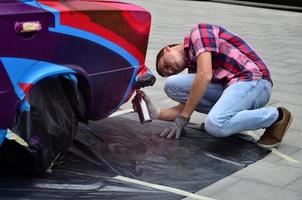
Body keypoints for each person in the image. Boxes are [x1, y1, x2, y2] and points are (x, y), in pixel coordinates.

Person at [144, 23, 292, 149]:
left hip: (253, 80)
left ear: (167, 49)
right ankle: (229, 118)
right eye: (169, 71)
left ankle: (277, 116)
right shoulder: (194, 67)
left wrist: (184, 119)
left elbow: (205, 76)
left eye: (165, 65)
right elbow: (187, 106)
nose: (171, 70)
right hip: (232, 86)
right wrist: (156, 113)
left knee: (214, 124)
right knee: (177, 86)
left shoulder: (198, 32)